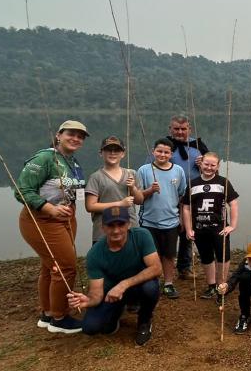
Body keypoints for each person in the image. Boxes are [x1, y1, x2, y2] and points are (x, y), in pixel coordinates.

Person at [16, 120, 88, 334]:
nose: (75, 138)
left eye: (80, 136)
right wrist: (48, 208)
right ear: (59, 135)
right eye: (71, 134)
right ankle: (60, 317)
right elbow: (22, 190)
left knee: (51, 266)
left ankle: (47, 313)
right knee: (66, 266)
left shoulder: (72, 162)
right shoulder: (44, 158)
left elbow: (74, 191)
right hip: (42, 220)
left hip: (65, 220)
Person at [66, 206, 162, 346]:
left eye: (121, 224)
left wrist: (123, 284)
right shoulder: (95, 254)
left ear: (128, 224)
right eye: (110, 225)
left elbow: (156, 268)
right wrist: (88, 301)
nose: (116, 230)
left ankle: (144, 320)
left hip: (136, 287)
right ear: (103, 227)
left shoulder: (142, 235)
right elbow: (96, 294)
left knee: (150, 287)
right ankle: (117, 311)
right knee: (91, 328)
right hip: (111, 295)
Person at [182, 152, 239, 300]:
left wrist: (232, 225)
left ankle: (222, 286)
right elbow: (186, 208)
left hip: (219, 229)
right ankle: (211, 286)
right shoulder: (193, 183)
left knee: (223, 257)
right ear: (201, 164)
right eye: (206, 164)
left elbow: (233, 204)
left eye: (213, 165)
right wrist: (188, 228)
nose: (209, 167)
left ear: (218, 166)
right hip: (200, 229)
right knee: (206, 258)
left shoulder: (223, 182)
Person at [137, 138, 187, 299]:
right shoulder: (144, 170)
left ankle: (168, 283)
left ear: (171, 154)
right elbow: (137, 197)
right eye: (159, 151)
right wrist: (149, 191)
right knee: (151, 255)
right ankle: (152, 282)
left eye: (166, 152)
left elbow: (181, 195)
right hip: (148, 221)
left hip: (171, 221)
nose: (162, 154)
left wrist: (182, 219)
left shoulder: (178, 170)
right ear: (153, 151)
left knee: (169, 255)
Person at [164, 115, 209, 281]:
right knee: (169, 231)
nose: (180, 132)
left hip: (194, 197)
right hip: (169, 196)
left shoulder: (198, 146)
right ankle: (163, 267)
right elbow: (151, 168)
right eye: (176, 129)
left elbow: (213, 171)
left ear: (189, 129)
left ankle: (184, 267)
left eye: (183, 129)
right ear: (170, 129)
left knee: (188, 232)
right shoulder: (164, 146)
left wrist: (203, 164)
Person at [85, 136, 144, 245]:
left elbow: (139, 200)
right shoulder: (96, 177)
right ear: (101, 153)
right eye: (108, 150)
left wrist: (133, 188)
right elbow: (90, 206)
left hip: (129, 229)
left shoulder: (131, 174)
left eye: (117, 150)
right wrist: (120, 204)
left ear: (123, 153)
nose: (113, 153)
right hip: (103, 232)